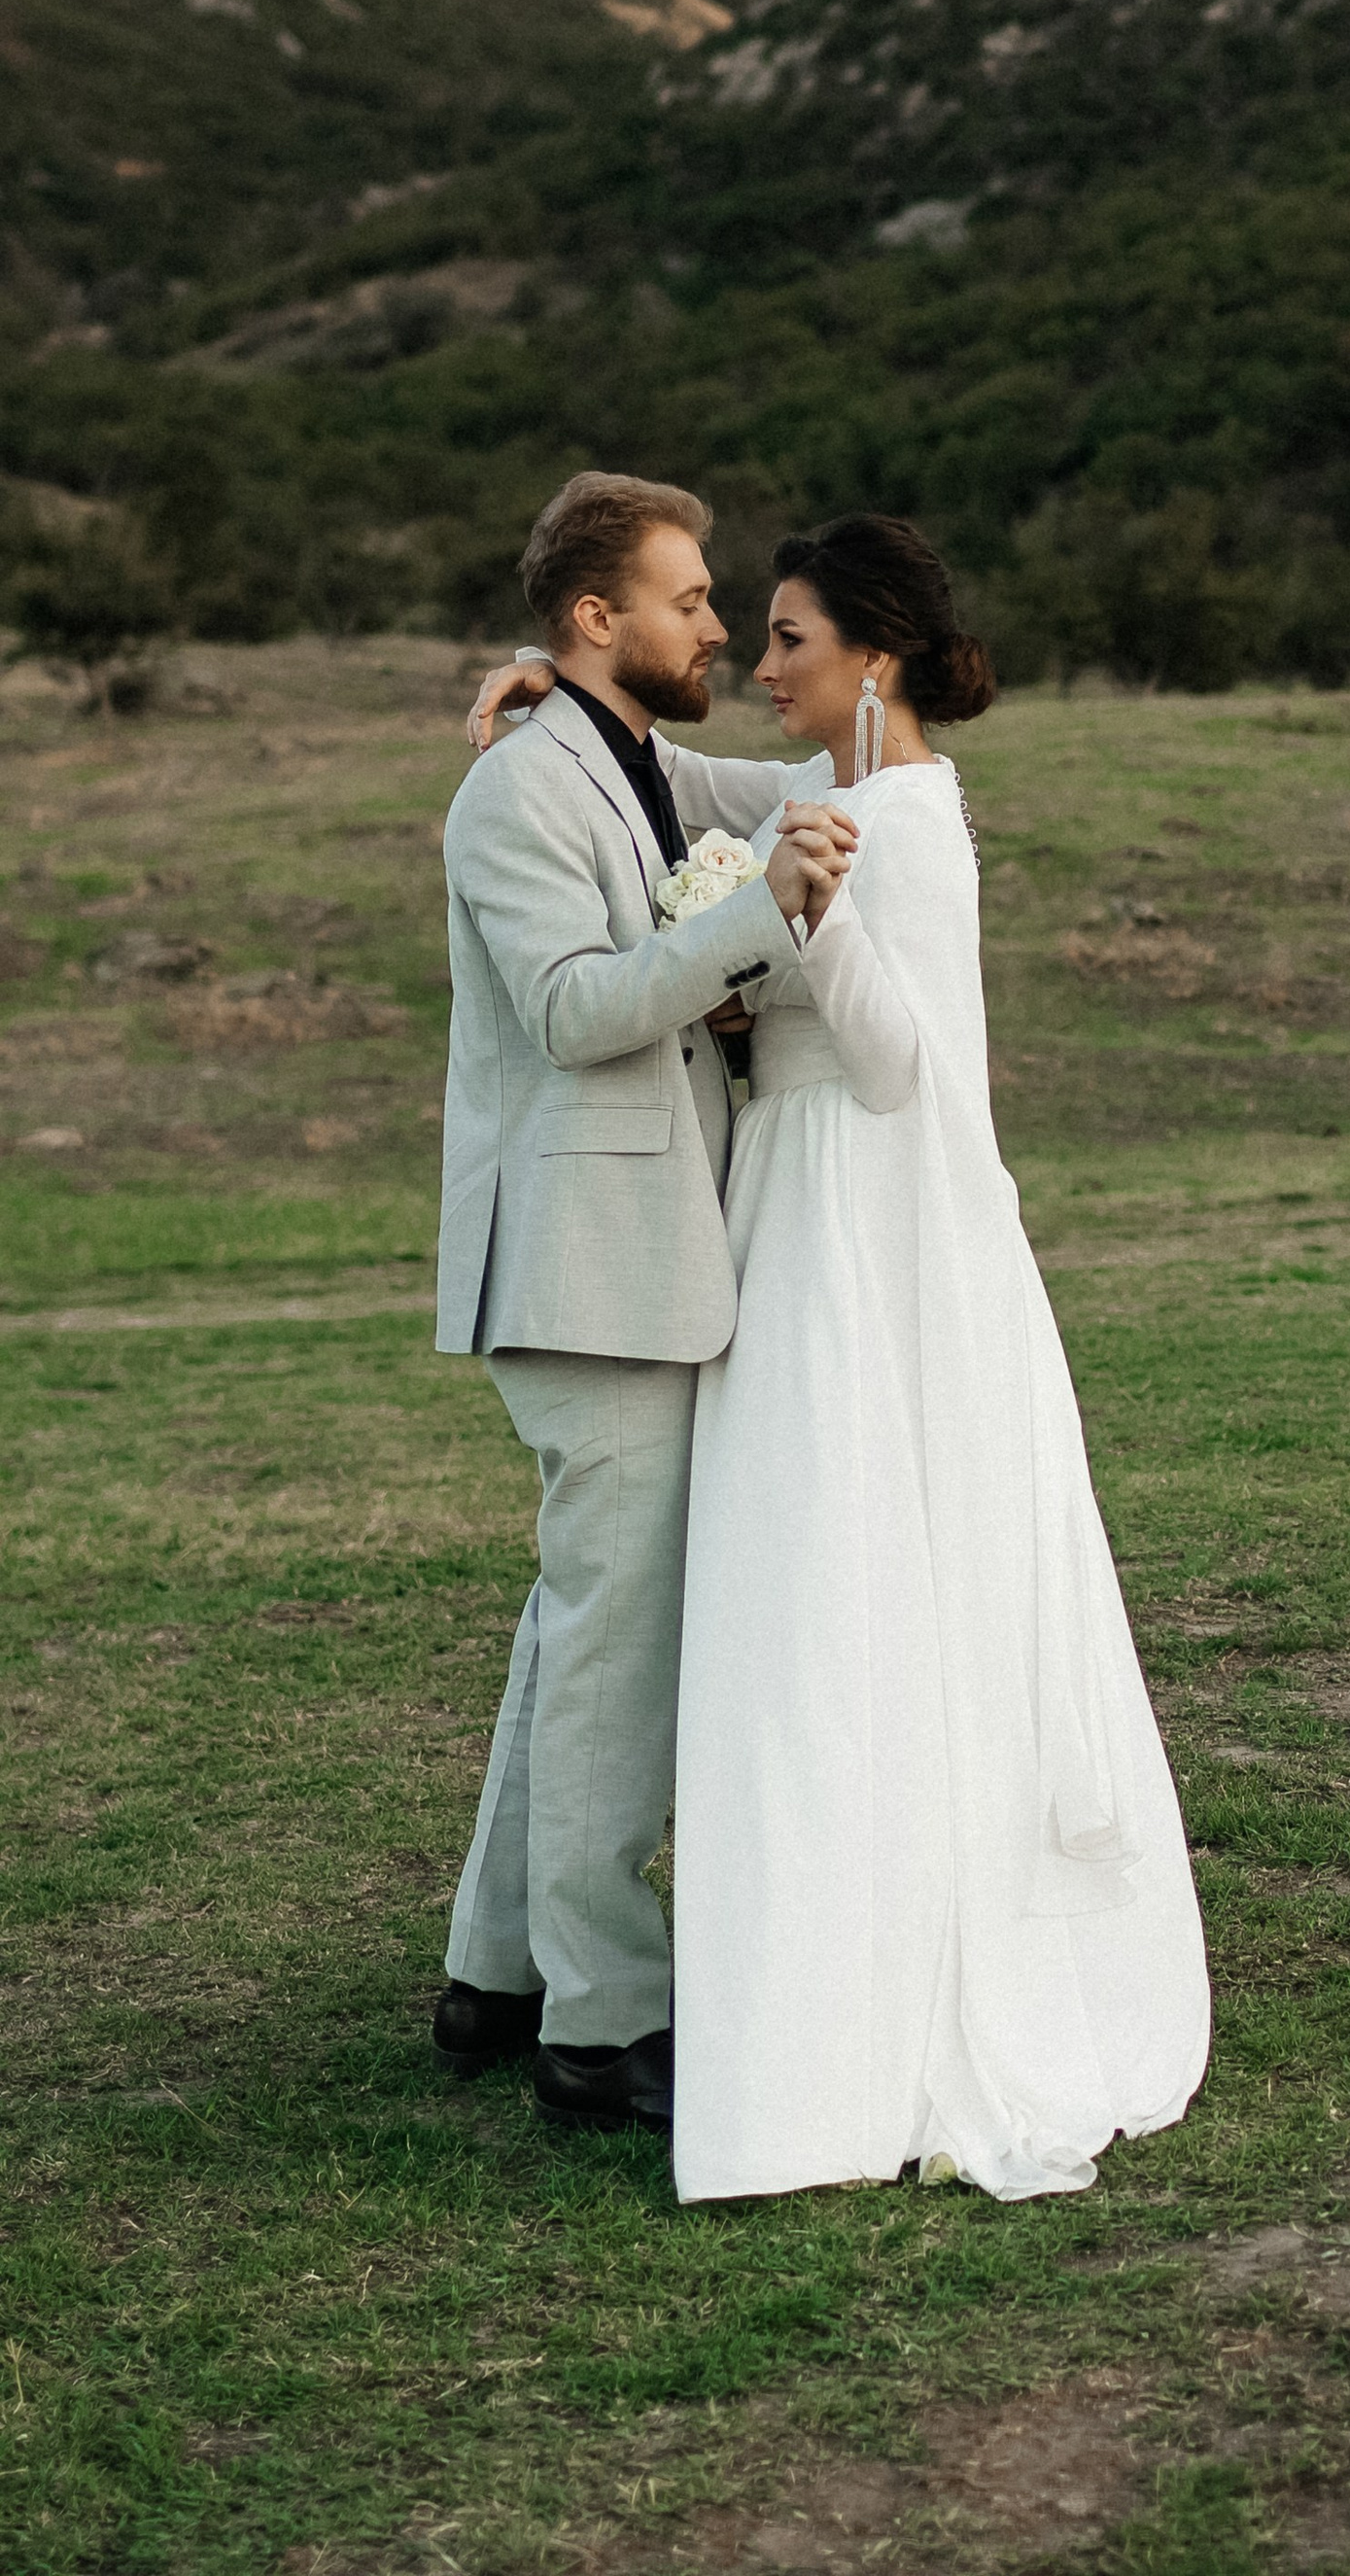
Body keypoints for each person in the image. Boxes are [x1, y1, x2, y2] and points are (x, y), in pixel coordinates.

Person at [461, 512, 1211, 2200]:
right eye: (727, 616)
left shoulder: (902, 831)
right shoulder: (809, 800)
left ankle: (756, 1985)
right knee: (728, 1590)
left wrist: (806, 930)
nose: (749, 652)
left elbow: (894, 1069)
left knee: (796, 1585)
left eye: (783, 632)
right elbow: (693, 807)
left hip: (846, 1222)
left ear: (869, 650)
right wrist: (556, 708)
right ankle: (580, 1968)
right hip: (767, 1228)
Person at [433, 471, 852, 2134]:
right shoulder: (514, 797)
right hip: (585, 1268)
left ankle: (496, 1973)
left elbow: (836, 776)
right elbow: (576, 1011)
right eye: (688, 600)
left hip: (639, 1257)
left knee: (576, 1628)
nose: (718, 627)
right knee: (620, 1645)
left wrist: (876, 689)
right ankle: (601, 2030)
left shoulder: (641, 758)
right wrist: (761, 922)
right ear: (597, 616)